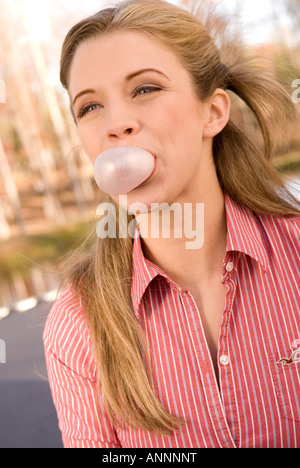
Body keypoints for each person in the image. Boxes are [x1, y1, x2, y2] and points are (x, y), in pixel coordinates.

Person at [43, 0, 300, 448]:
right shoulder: (77, 323)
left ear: (213, 112)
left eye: (144, 89)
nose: (117, 124)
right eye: (89, 107)